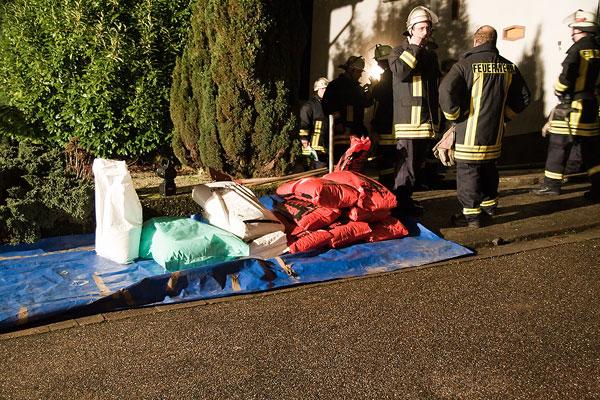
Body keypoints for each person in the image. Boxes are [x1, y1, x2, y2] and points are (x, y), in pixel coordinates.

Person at [439, 25, 530, 228]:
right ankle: (489, 208)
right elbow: (524, 97)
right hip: (494, 135)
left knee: (468, 172)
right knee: (488, 169)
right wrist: (504, 118)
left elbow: (445, 90)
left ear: (476, 41)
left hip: (469, 134)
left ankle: (472, 217)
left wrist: (454, 116)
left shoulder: (464, 65)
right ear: (493, 42)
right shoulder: (509, 67)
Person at [532, 9, 600, 201]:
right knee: (591, 151)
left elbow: (566, 77)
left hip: (572, 106)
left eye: (574, 30)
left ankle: (551, 185)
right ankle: (598, 187)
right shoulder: (598, 49)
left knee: (558, 145)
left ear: (582, 30)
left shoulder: (577, 50)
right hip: (591, 107)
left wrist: (559, 90)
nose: (572, 34)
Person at [388, 6, 441, 215]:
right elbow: (401, 72)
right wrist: (415, 46)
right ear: (410, 29)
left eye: (428, 29)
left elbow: (433, 90)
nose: (425, 33)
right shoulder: (397, 52)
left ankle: (406, 199)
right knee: (406, 165)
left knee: (417, 164)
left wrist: (436, 119)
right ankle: (399, 203)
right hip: (408, 120)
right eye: (421, 28)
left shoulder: (430, 55)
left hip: (426, 120)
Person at [322, 55, 373, 166]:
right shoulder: (336, 86)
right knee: (340, 163)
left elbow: (365, 104)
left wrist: (369, 93)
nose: (360, 75)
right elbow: (327, 106)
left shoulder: (356, 88)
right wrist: (339, 123)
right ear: (351, 70)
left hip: (355, 132)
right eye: (359, 72)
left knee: (354, 165)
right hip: (341, 134)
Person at [369, 44, 395, 187]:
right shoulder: (396, 74)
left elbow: (379, 97)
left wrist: (373, 86)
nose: (377, 64)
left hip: (386, 124)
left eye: (378, 61)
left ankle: (386, 184)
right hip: (394, 123)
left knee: (385, 156)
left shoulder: (387, 77)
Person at [299, 77, 329, 170]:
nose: (325, 91)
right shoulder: (309, 106)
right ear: (317, 90)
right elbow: (304, 124)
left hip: (325, 145)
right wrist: (305, 142)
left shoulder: (326, 104)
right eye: (323, 89)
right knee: (315, 172)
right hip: (313, 147)